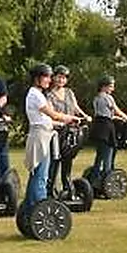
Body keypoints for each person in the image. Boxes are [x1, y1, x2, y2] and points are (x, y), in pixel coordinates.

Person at [20, 62, 78, 214]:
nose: (49, 80)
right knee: (41, 177)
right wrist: (69, 118)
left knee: (37, 175)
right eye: (46, 77)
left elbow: (46, 119)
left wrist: (59, 123)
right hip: (40, 137)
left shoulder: (37, 94)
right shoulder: (35, 95)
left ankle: (29, 209)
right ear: (37, 79)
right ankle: (41, 209)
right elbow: (52, 114)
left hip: (44, 134)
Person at [84, 73, 127, 190]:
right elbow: (116, 111)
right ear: (104, 86)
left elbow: (106, 115)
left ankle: (93, 181)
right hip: (106, 129)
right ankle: (106, 183)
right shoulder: (107, 98)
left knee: (99, 157)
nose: (113, 89)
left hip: (99, 127)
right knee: (108, 156)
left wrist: (120, 119)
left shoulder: (97, 98)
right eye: (111, 86)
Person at [46, 65, 91, 194]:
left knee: (68, 157)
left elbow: (76, 107)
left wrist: (84, 116)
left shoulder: (69, 92)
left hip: (71, 130)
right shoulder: (49, 95)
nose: (61, 80)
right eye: (59, 77)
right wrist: (61, 121)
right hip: (57, 131)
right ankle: (51, 187)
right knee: (56, 158)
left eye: (64, 78)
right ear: (53, 77)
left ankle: (67, 184)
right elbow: (51, 112)